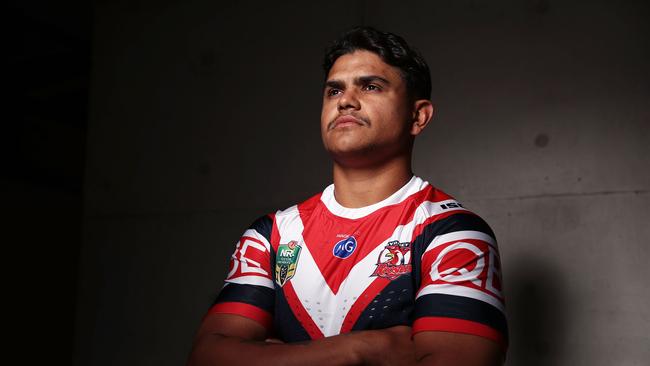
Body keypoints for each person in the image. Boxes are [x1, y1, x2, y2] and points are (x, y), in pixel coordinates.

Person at [187, 26, 507, 366]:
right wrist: (366, 349)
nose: (345, 100)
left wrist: (266, 354)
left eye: (370, 86)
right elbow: (207, 357)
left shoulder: (452, 233)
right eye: (334, 90)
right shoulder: (271, 236)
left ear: (418, 116)